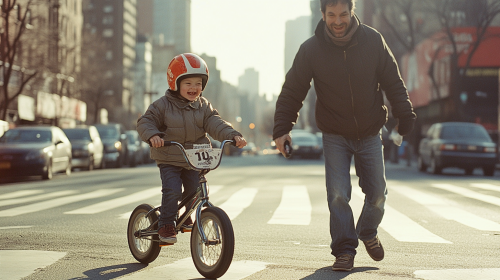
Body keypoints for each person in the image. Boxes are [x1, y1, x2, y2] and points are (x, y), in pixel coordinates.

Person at [273, 0, 416, 271]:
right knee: (338, 194)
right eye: (331, 15)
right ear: (323, 15)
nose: (337, 21)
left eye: (343, 14)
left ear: (352, 12)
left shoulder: (373, 40)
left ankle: (367, 231)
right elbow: (293, 90)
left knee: (377, 195)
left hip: (371, 131)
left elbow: (392, 81)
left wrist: (404, 114)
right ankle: (344, 250)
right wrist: (282, 129)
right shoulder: (311, 50)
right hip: (335, 133)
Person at [137, 53, 247, 244]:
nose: (194, 88)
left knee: (194, 189)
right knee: (172, 190)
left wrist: (232, 135)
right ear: (175, 83)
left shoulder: (204, 107)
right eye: (188, 83)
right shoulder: (162, 106)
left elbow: (216, 123)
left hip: (195, 158)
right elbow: (145, 121)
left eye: (198, 83)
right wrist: (153, 135)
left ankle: (186, 213)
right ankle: (166, 223)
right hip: (170, 157)